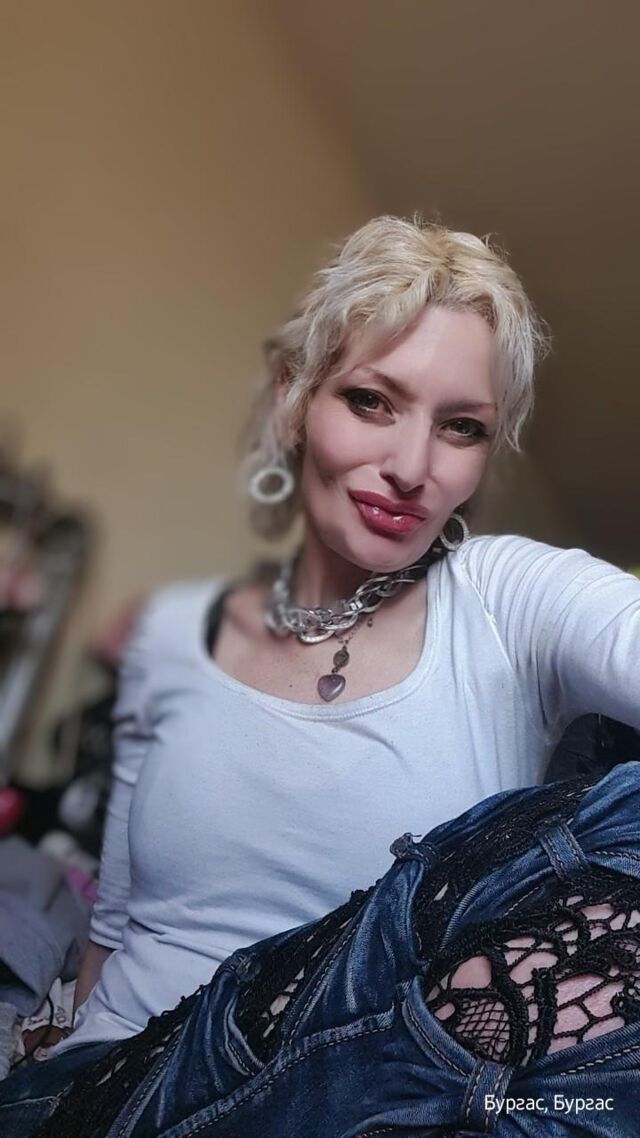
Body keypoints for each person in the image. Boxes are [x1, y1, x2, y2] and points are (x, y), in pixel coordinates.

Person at [2, 215, 640, 1134]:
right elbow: (116, 936)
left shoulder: (506, 600)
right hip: (98, 1089)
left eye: (461, 427)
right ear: (294, 401)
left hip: (346, 1096)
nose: (411, 467)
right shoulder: (174, 638)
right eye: (372, 401)